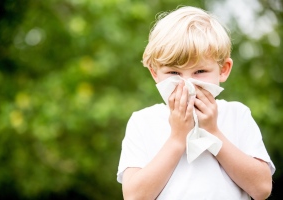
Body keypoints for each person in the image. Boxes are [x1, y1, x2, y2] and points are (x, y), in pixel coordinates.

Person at [116, 6, 275, 200]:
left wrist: (212, 132)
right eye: (174, 73)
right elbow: (134, 197)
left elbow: (262, 188)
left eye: (200, 72)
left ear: (223, 70)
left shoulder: (237, 115)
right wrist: (177, 138)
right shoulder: (143, 121)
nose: (188, 84)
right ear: (155, 73)